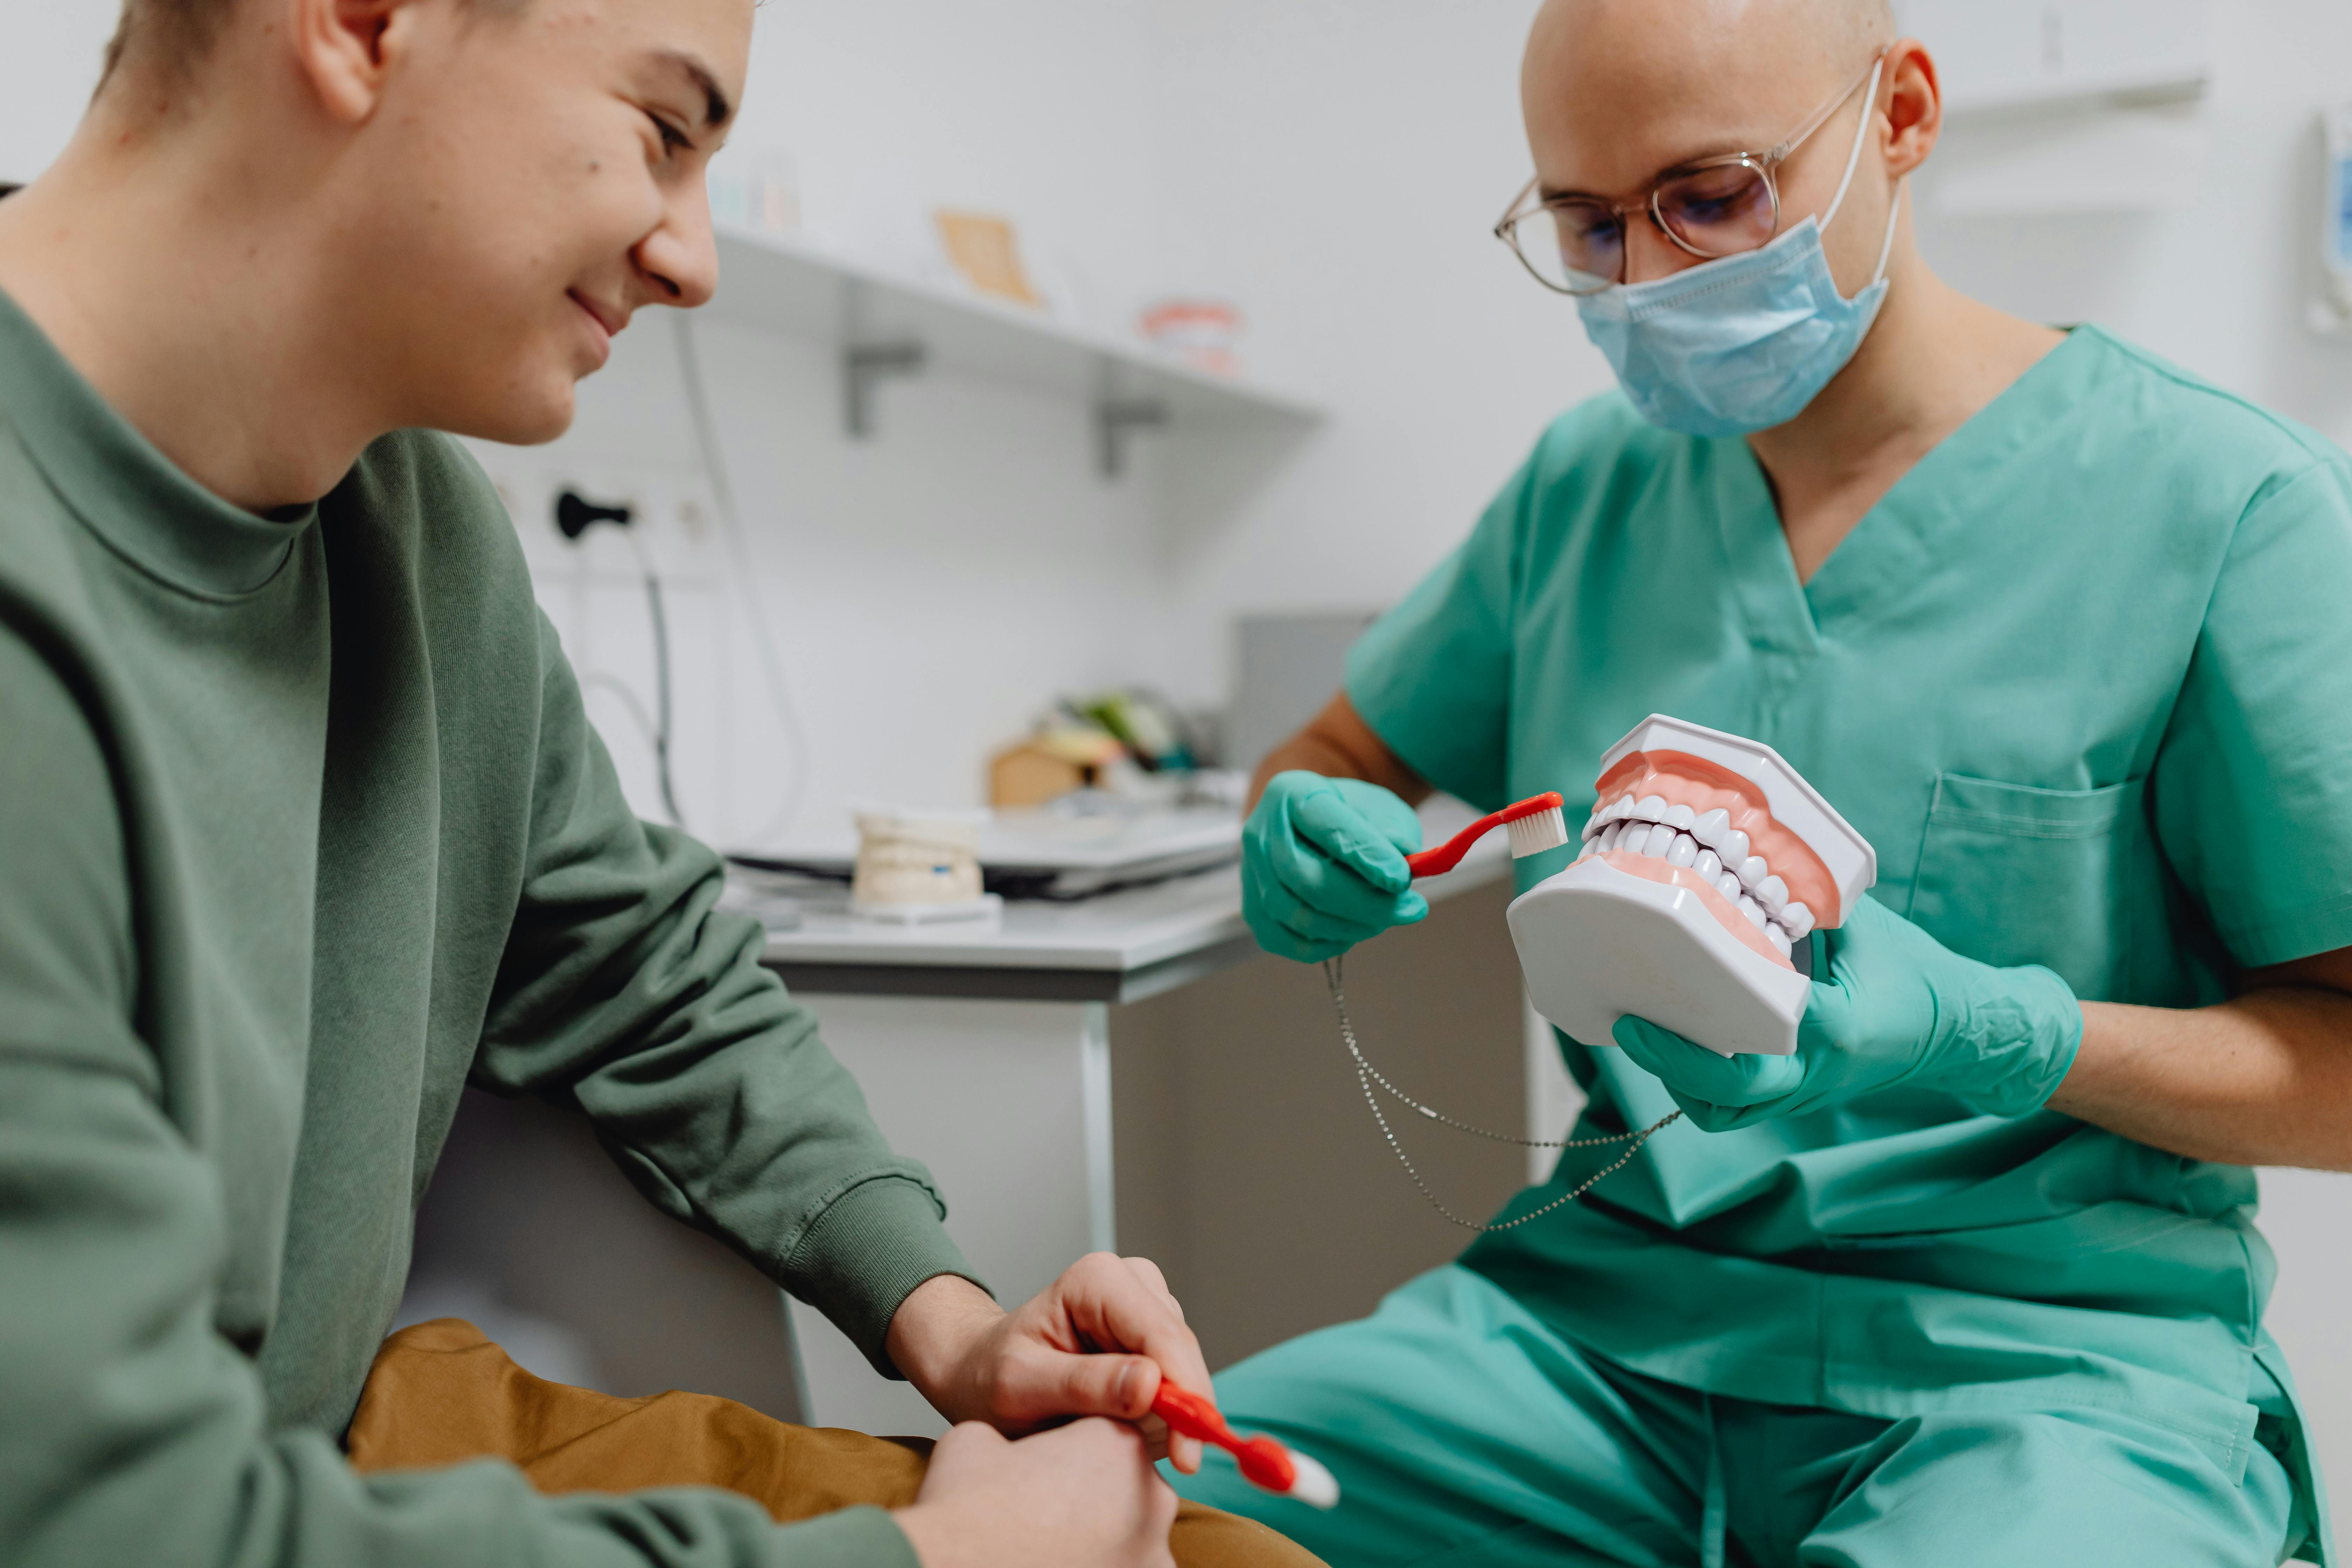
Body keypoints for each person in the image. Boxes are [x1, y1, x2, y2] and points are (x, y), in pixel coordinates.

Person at [0, 4, 1321, 1567]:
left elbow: (643, 971)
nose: (693, 257)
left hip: (324, 1428)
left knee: (1210, 1550)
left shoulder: (415, 523)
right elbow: (111, 1518)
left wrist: (951, 1322)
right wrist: (950, 1561)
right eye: (665, 133)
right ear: (362, 25)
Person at [1186, 1, 2350, 1563]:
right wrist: (1306, 825)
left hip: (2046, 1368)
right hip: (1593, 1338)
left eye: (1711, 196)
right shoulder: (1583, 490)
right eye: (1591, 227)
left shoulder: (2224, 505)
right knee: (1117, 1500)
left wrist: (2005, 1034)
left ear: (1907, 114)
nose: (1651, 279)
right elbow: (1337, 756)